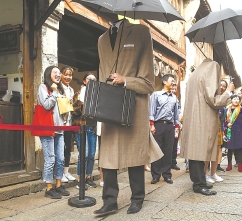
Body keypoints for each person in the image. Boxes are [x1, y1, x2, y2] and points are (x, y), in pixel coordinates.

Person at [94, 19, 163, 216]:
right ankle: (109, 201)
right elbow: (100, 74)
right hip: (109, 103)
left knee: (135, 153)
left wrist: (125, 80)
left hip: (134, 103)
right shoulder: (102, 39)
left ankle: (137, 198)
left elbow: (149, 82)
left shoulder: (141, 32)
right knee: (107, 155)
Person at [180, 59, 234, 196]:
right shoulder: (212, 67)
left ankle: (199, 181)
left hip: (193, 117)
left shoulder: (195, 74)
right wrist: (228, 92)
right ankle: (199, 185)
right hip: (202, 118)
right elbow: (213, 99)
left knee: (195, 153)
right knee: (199, 153)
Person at [38, 66, 70, 199]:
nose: (58, 75)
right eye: (55, 72)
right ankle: (49, 188)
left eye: (59, 73)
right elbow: (46, 105)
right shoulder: (43, 87)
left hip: (60, 129)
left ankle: (58, 184)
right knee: (50, 159)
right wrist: (54, 92)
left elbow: (64, 109)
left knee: (61, 159)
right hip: (48, 129)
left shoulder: (60, 88)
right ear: (48, 74)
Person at [149, 74, 180, 184]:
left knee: (168, 150)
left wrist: (176, 127)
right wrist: (152, 125)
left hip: (170, 126)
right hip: (158, 125)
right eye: (172, 80)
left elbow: (176, 114)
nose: (173, 83)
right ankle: (155, 175)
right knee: (157, 150)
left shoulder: (174, 98)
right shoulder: (156, 95)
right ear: (164, 82)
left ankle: (167, 174)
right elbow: (151, 111)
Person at [72, 72, 98, 189]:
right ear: (84, 81)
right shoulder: (78, 94)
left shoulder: (97, 96)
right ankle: (80, 179)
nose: (91, 81)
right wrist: (83, 102)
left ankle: (88, 177)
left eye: (94, 79)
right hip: (81, 127)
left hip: (92, 127)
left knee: (92, 154)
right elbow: (74, 111)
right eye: (89, 79)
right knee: (84, 154)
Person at [206, 80, 229, 183]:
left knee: (217, 150)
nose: (222, 87)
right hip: (209, 126)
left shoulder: (223, 101)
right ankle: (205, 174)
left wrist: (223, 131)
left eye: (224, 86)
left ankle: (213, 173)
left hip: (218, 127)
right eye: (220, 85)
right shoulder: (211, 96)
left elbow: (223, 118)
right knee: (207, 152)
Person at [224, 94, 242, 173]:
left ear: (240, 101)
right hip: (230, 131)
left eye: (238, 99)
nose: (236, 100)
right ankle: (229, 164)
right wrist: (226, 124)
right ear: (231, 100)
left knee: (240, 148)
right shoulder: (227, 109)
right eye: (234, 99)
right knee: (230, 148)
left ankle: (240, 165)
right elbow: (223, 120)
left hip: (240, 131)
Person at [60, 66, 76, 183]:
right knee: (60, 149)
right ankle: (60, 173)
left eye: (70, 75)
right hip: (60, 123)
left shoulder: (71, 90)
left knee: (68, 148)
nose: (68, 77)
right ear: (61, 75)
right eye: (65, 74)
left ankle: (66, 171)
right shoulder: (58, 88)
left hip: (69, 122)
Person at [170, 82, 182, 171]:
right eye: (172, 89)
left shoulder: (177, 99)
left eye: (175, 89)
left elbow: (179, 112)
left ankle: (173, 162)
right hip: (168, 124)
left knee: (174, 145)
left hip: (176, 125)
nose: (174, 91)